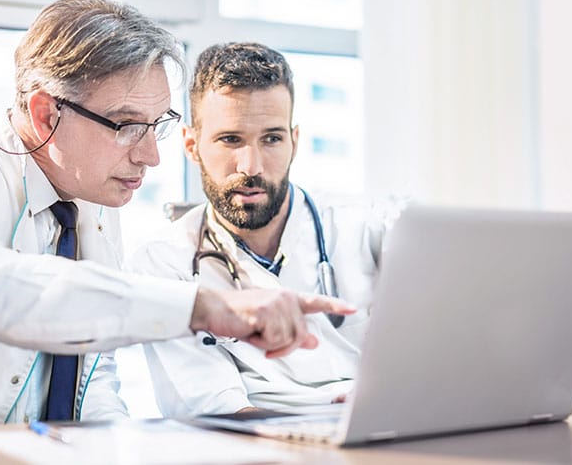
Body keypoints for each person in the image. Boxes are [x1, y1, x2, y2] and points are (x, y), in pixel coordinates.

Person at [0, 0, 353, 457]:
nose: (151, 158)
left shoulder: (93, 208)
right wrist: (201, 307)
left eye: (156, 126)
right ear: (46, 114)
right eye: (127, 126)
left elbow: (93, 380)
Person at [120, 42, 397, 418]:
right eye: (230, 139)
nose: (251, 166)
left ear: (294, 142)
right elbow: (217, 412)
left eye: (271, 139)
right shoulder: (164, 263)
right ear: (191, 144)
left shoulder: (366, 228)